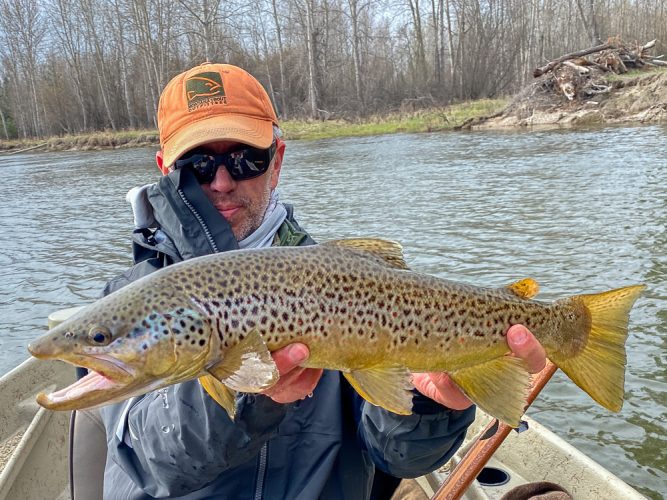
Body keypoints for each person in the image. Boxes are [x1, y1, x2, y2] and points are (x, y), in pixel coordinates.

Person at [78, 62, 547, 499]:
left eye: (245, 159)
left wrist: (433, 407)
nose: (221, 181)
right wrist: (251, 394)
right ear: (165, 169)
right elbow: (151, 462)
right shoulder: (127, 307)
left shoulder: (340, 284)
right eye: (197, 163)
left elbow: (398, 458)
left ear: (277, 160)